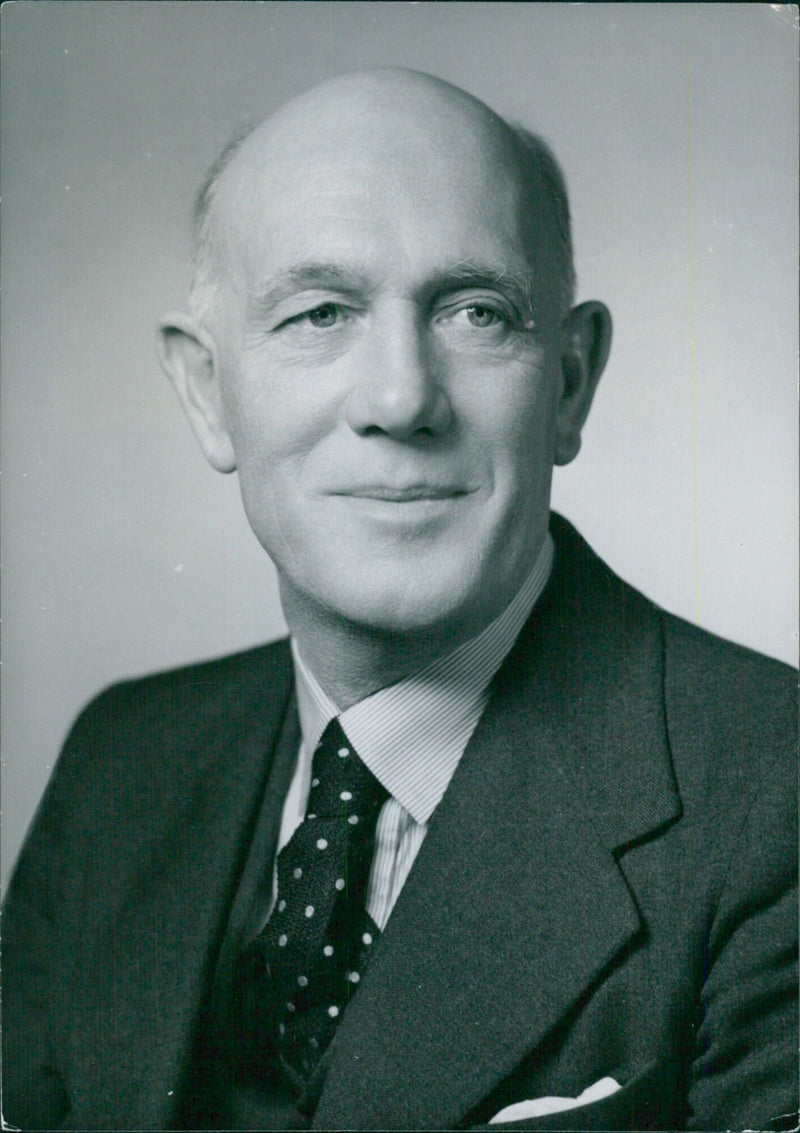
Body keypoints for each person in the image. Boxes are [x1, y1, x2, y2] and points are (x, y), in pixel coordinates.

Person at [3, 68, 796, 1132]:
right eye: (318, 311)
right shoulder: (120, 761)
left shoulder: (772, 791)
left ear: (567, 383)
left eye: (474, 311)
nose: (398, 398)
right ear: (205, 393)